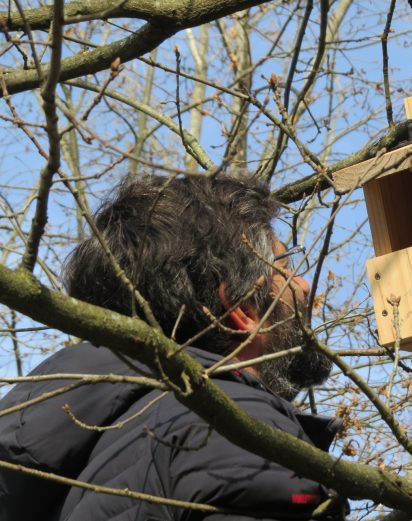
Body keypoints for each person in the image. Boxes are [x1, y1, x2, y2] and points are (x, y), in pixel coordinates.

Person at [0, 175, 340, 521]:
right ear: (243, 308)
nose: (304, 285)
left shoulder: (85, 460)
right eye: (286, 269)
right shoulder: (230, 430)